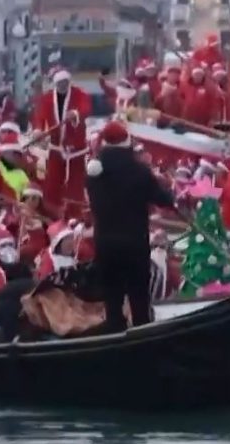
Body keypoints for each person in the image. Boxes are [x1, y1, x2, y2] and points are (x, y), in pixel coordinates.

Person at [84, 120, 176, 332]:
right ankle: (142, 335)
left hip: (106, 243)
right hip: (134, 241)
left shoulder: (94, 173)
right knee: (138, 295)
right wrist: (169, 196)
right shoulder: (139, 171)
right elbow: (162, 198)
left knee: (113, 296)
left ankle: (115, 335)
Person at [31, 65, 92, 219]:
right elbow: (40, 117)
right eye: (60, 83)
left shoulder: (80, 94)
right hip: (56, 147)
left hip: (76, 149)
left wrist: (76, 113)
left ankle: (76, 213)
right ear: (55, 84)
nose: (63, 85)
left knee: (76, 182)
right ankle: (52, 212)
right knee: (53, 181)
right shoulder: (46, 99)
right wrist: (38, 130)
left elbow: (85, 108)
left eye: (65, 82)